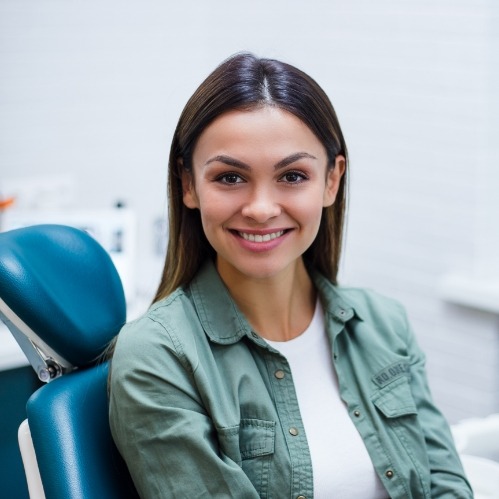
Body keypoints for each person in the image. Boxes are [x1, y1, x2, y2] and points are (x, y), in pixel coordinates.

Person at [108, 53, 473, 498]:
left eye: (293, 175)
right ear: (188, 185)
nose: (261, 208)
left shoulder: (383, 323)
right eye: (229, 177)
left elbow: (447, 486)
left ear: (331, 181)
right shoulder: (157, 356)